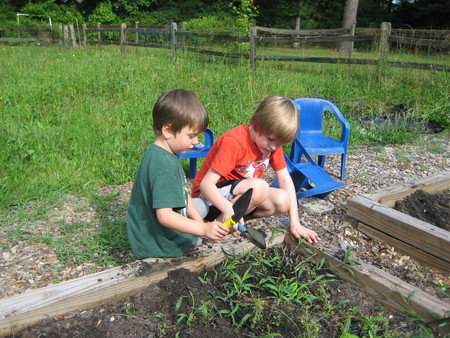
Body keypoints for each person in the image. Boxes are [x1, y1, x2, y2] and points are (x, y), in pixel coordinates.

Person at [192, 95, 321, 244]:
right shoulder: (235, 141)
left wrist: (295, 223)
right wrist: (227, 207)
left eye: (279, 144)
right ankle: (215, 229)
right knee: (260, 187)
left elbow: (285, 180)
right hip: (208, 198)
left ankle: (228, 223)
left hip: (233, 198)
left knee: (283, 200)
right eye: (270, 139)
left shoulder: (272, 145)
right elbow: (206, 185)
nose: (273, 147)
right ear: (256, 122)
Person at [127, 89, 229, 259]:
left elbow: (182, 193)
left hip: (155, 236)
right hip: (159, 246)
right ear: (167, 130)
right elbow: (165, 216)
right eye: (191, 136)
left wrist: (199, 223)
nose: (196, 142)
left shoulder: (163, 153)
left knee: (201, 220)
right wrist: (203, 229)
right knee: (198, 239)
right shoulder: (164, 166)